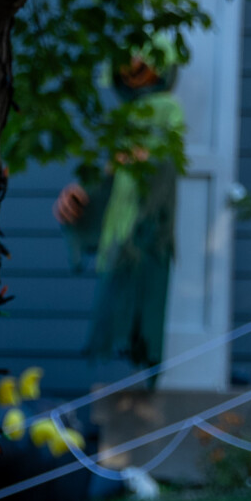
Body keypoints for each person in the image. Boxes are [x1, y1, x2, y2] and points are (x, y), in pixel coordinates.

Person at [56, 45, 184, 376]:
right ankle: (122, 352)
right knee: (120, 288)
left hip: (148, 227)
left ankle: (145, 359)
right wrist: (83, 196)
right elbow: (110, 174)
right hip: (122, 225)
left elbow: (166, 155)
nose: (135, 68)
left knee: (148, 294)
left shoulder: (168, 108)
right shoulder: (123, 120)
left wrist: (145, 158)